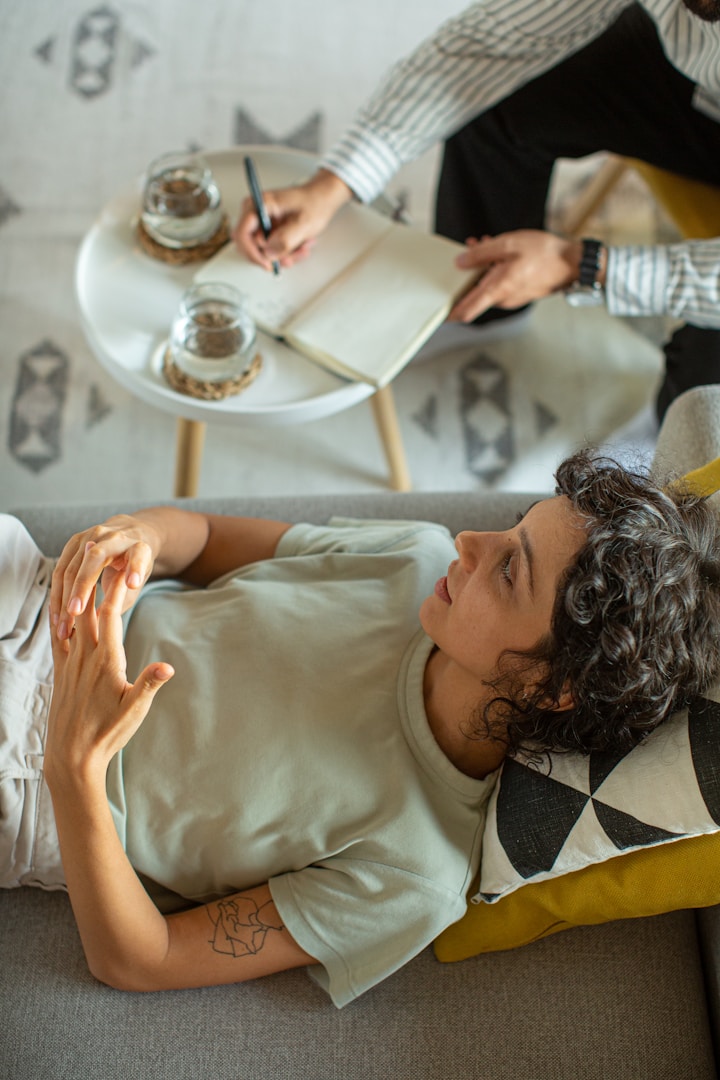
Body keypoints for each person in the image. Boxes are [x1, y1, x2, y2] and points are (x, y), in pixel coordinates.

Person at [3, 452, 720, 1007]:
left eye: (509, 571)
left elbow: (139, 958)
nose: (469, 541)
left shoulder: (414, 873)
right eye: (512, 526)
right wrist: (146, 535)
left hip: (31, 778)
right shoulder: (414, 555)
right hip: (43, 598)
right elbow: (208, 538)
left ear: (553, 686)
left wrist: (74, 770)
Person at [235, 0, 720, 422]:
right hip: (696, 83)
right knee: (497, 98)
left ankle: (670, 458)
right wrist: (337, 179)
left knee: (700, 393)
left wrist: (582, 265)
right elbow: (489, 45)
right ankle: (485, 306)